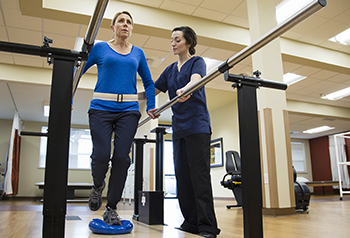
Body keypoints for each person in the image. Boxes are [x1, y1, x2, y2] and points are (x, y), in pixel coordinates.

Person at [81, 11, 157, 225]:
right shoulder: (100, 48)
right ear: (112, 27)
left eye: (129, 22)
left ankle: (111, 207)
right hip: (100, 109)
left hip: (128, 110)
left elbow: (149, 83)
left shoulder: (138, 53)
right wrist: (66, 96)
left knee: (122, 158)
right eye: (121, 21)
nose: (125, 25)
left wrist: (150, 106)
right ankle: (97, 186)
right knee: (102, 154)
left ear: (131, 29)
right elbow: (78, 71)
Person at [154, 26, 221, 238]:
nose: (173, 43)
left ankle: (208, 226)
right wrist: (126, 96)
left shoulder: (196, 62)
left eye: (177, 40)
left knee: (199, 177)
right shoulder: (170, 70)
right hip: (179, 128)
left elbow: (196, 79)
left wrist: (187, 89)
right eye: (171, 40)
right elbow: (153, 90)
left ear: (188, 43)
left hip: (198, 126)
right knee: (182, 176)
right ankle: (191, 222)